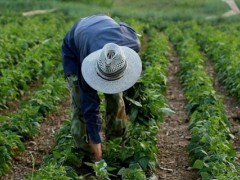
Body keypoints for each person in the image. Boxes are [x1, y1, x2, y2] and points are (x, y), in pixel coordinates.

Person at [61, 14, 142, 175]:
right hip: (75, 50)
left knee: (116, 97)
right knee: (81, 108)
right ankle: (85, 155)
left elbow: (125, 27)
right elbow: (91, 109)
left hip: (102, 25)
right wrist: (99, 160)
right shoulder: (86, 65)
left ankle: (117, 143)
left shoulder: (131, 44)